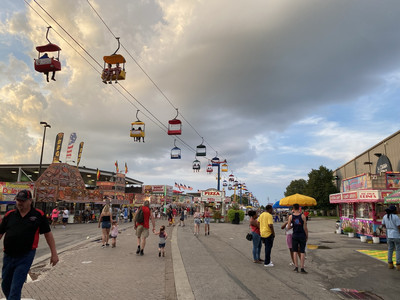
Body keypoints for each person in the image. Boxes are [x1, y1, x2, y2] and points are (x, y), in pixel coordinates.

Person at [0, 190, 59, 299]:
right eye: (18, 200)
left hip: (25, 256)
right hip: (8, 255)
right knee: (5, 284)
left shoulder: (38, 215)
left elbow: (48, 234)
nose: (19, 203)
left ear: (30, 201)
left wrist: (54, 254)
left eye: (22, 200)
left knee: (16, 287)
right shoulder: (10, 215)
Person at [287, 203, 308, 274]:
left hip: (295, 235)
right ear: (299, 208)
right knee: (302, 251)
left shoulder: (290, 217)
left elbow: (288, 227)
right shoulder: (303, 216)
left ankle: (296, 267)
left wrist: (293, 226)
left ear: (293, 208)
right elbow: (305, 228)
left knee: (295, 251)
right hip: (302, 235)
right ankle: (302, 268)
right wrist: (307, 236)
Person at [381, 205, 400, 270]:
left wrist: (387, 227)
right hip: (396, 235)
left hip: (389, 235)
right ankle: (398, 264)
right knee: (398, 249)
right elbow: (399, 226)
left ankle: (390, 264)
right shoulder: (396, 217)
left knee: (390, 249)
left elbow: (383, 224)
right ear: (394, 211)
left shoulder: (385, 217)